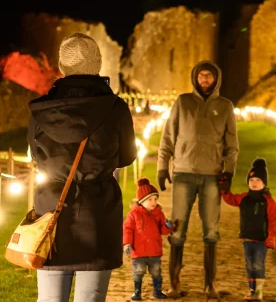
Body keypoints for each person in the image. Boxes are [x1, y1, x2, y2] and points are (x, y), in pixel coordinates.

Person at [27, 32, 137, 302]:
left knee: (51, 298)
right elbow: (126, 156)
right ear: (97, 65)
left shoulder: (41, 109)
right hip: (98, 210)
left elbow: (34, 155)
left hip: (52, 209)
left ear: (63, 67)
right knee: (91, 297)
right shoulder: (116, 108)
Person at [157, 60, 239, 298]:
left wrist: (229, 171)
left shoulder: (225, 106)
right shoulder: (183, 102)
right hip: (183, 174)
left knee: (211, 231)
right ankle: (174, 284)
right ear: (195, 78)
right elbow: (168, 137)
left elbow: (232, 144)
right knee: (177, 230)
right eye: (201, 76)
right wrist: (163, 167)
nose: (205, 80)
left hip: (212, 176)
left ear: (216, 80)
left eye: (209, 76)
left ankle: (209, 284)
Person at [219, 158, 276, 301]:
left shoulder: (268, 202)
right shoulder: (244, 198)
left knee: (258, 264)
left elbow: (273, 220)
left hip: (261, 240)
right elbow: (231, 200)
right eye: (252, 180)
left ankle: (259, 292)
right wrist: (224, 189)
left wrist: (271, 237)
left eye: (258, 180)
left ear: (264, 183)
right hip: (247, 239)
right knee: (249, 265)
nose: (254, 183)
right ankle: (252, 291)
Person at [123, 178, 176, 300]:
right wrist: (127, 243)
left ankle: (157, 290)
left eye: (155, 199)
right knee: (138, 272)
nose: (153, 202)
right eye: (150, 199)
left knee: (156, 271)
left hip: (154, 251)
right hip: (138, 251)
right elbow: (127, 229)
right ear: (141, 201)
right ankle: (137, 291)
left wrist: (169, 226)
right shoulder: (134, 214)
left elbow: (162, 230)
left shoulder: (158, 214)